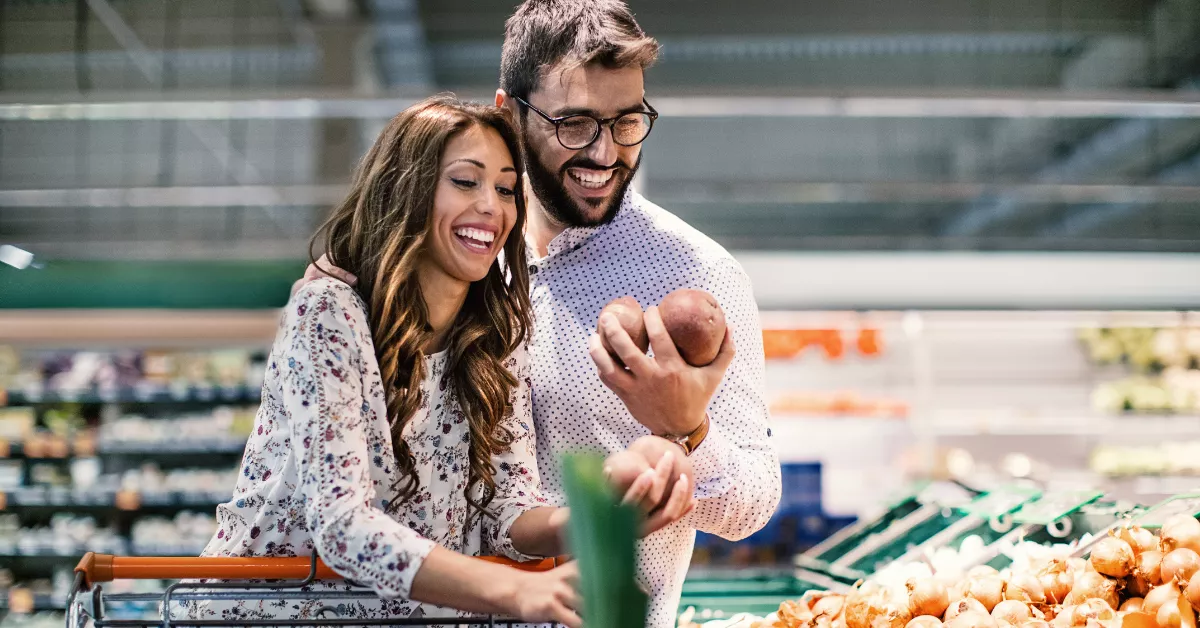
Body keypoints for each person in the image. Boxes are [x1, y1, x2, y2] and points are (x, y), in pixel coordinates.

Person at [298, 2, 783, 625]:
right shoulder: (438, 256)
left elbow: (751, 509)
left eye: (628, 121)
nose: (605, 153)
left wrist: (688, 429)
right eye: (575, 124)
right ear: (508, 114)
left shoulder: (697, 276)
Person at [197, 95, 686, 627]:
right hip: (270, 612)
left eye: (504, 189)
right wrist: (514, 591)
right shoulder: (329, 313)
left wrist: (599, 516)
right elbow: (341, 525)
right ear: (406, 189)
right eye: (465, 181)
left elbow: (505, 512)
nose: (491, 207)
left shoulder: (495, 337)